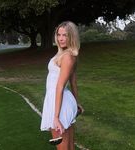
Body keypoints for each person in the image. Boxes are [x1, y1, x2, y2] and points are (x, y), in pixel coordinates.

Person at [40, 21, 83, 150]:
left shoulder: (68, 57)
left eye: (65, 35)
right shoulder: (65, 54)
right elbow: (73, 82)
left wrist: (56, 116)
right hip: (61, 101)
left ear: (72, 36)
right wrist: (76, 103)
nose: (61, 38)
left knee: (63, 147)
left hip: (58, 103)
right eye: (59, 34)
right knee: (69, 146)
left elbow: (60, 86)